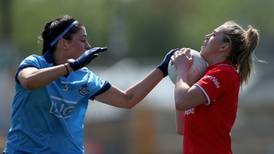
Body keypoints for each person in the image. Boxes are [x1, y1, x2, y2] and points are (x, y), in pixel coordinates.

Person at [3, 15, 175, 154]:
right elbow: (29, 81)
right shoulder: (35, 63)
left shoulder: (84, 77)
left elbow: (127, 99)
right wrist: (70, 67)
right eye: (83, 40)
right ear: (64, 42)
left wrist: (162, 69)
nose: (88, 46)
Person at [172, 21, 259, 154]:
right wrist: (184, 80)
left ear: (224, 46)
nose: (207, 36)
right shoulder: (207, 74)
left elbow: (181, 101)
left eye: (213, 34)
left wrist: (181, 71)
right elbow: (182, 128)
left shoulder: (224, 72)